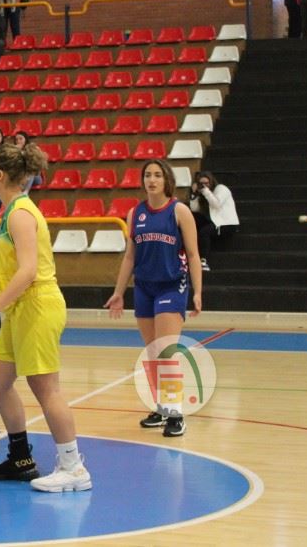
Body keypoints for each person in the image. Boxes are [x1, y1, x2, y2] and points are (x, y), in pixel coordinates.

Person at [0, 142, 92, 492]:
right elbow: (19, 272)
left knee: (46, 389)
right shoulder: (12, 210)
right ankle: (21, 459)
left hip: (37, 306)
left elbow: (29, 271)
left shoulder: (21, 213)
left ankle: (73, 468)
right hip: (21, 306)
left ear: (0, 174)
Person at [104, 159, 203, 438]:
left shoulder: (179, 211)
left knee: (166, 351)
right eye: (147, 175)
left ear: (166, 180)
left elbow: (193, 254)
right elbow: (130, 257)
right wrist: (119, 292)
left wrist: (198, 292)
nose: (152, 180)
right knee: (152, 352)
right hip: (144, 287)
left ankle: (176, 414)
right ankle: (162, 407)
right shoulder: (135, 213)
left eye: (157, 175)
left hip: (172, 285)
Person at [188, 171, 238, 272]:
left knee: (204, 232)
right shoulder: (203, 193)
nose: (204, 186)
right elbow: (194, 209)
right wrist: (194, 194)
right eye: (201, 183)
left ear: (211, 181)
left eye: (206, 183)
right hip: (213, 220)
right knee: (191, 219)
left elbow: (216, 204)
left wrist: (206, 191)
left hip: (225, 223)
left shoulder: (221, 189)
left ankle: (203, 260)